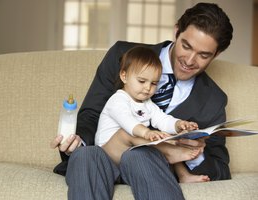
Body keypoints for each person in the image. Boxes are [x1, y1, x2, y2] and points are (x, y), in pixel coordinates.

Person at [51, 2, 233, 199]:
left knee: (140, 155)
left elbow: (221, 167)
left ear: (217, 54)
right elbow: (91, 114)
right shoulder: (123, 56)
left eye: (203, 55)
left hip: (153, 167)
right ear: (176, 31)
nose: (189, 61)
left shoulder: (214, 99)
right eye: (186, 46)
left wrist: (195, 152)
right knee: (85, 155)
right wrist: (77, 143)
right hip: (104, 154)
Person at [95, 46, 205, 183]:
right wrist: (147, 133)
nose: (148, 88)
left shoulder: (147, 103)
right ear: (124, 76)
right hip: (108, 155)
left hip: (132, 157)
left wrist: (179, 125)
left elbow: (162, 119)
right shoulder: (117, 100)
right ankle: (169, 152)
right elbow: (128, 122)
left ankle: (184, 175)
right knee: (128, 132)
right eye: (142, 81)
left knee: (166, 136)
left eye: (154, 83)